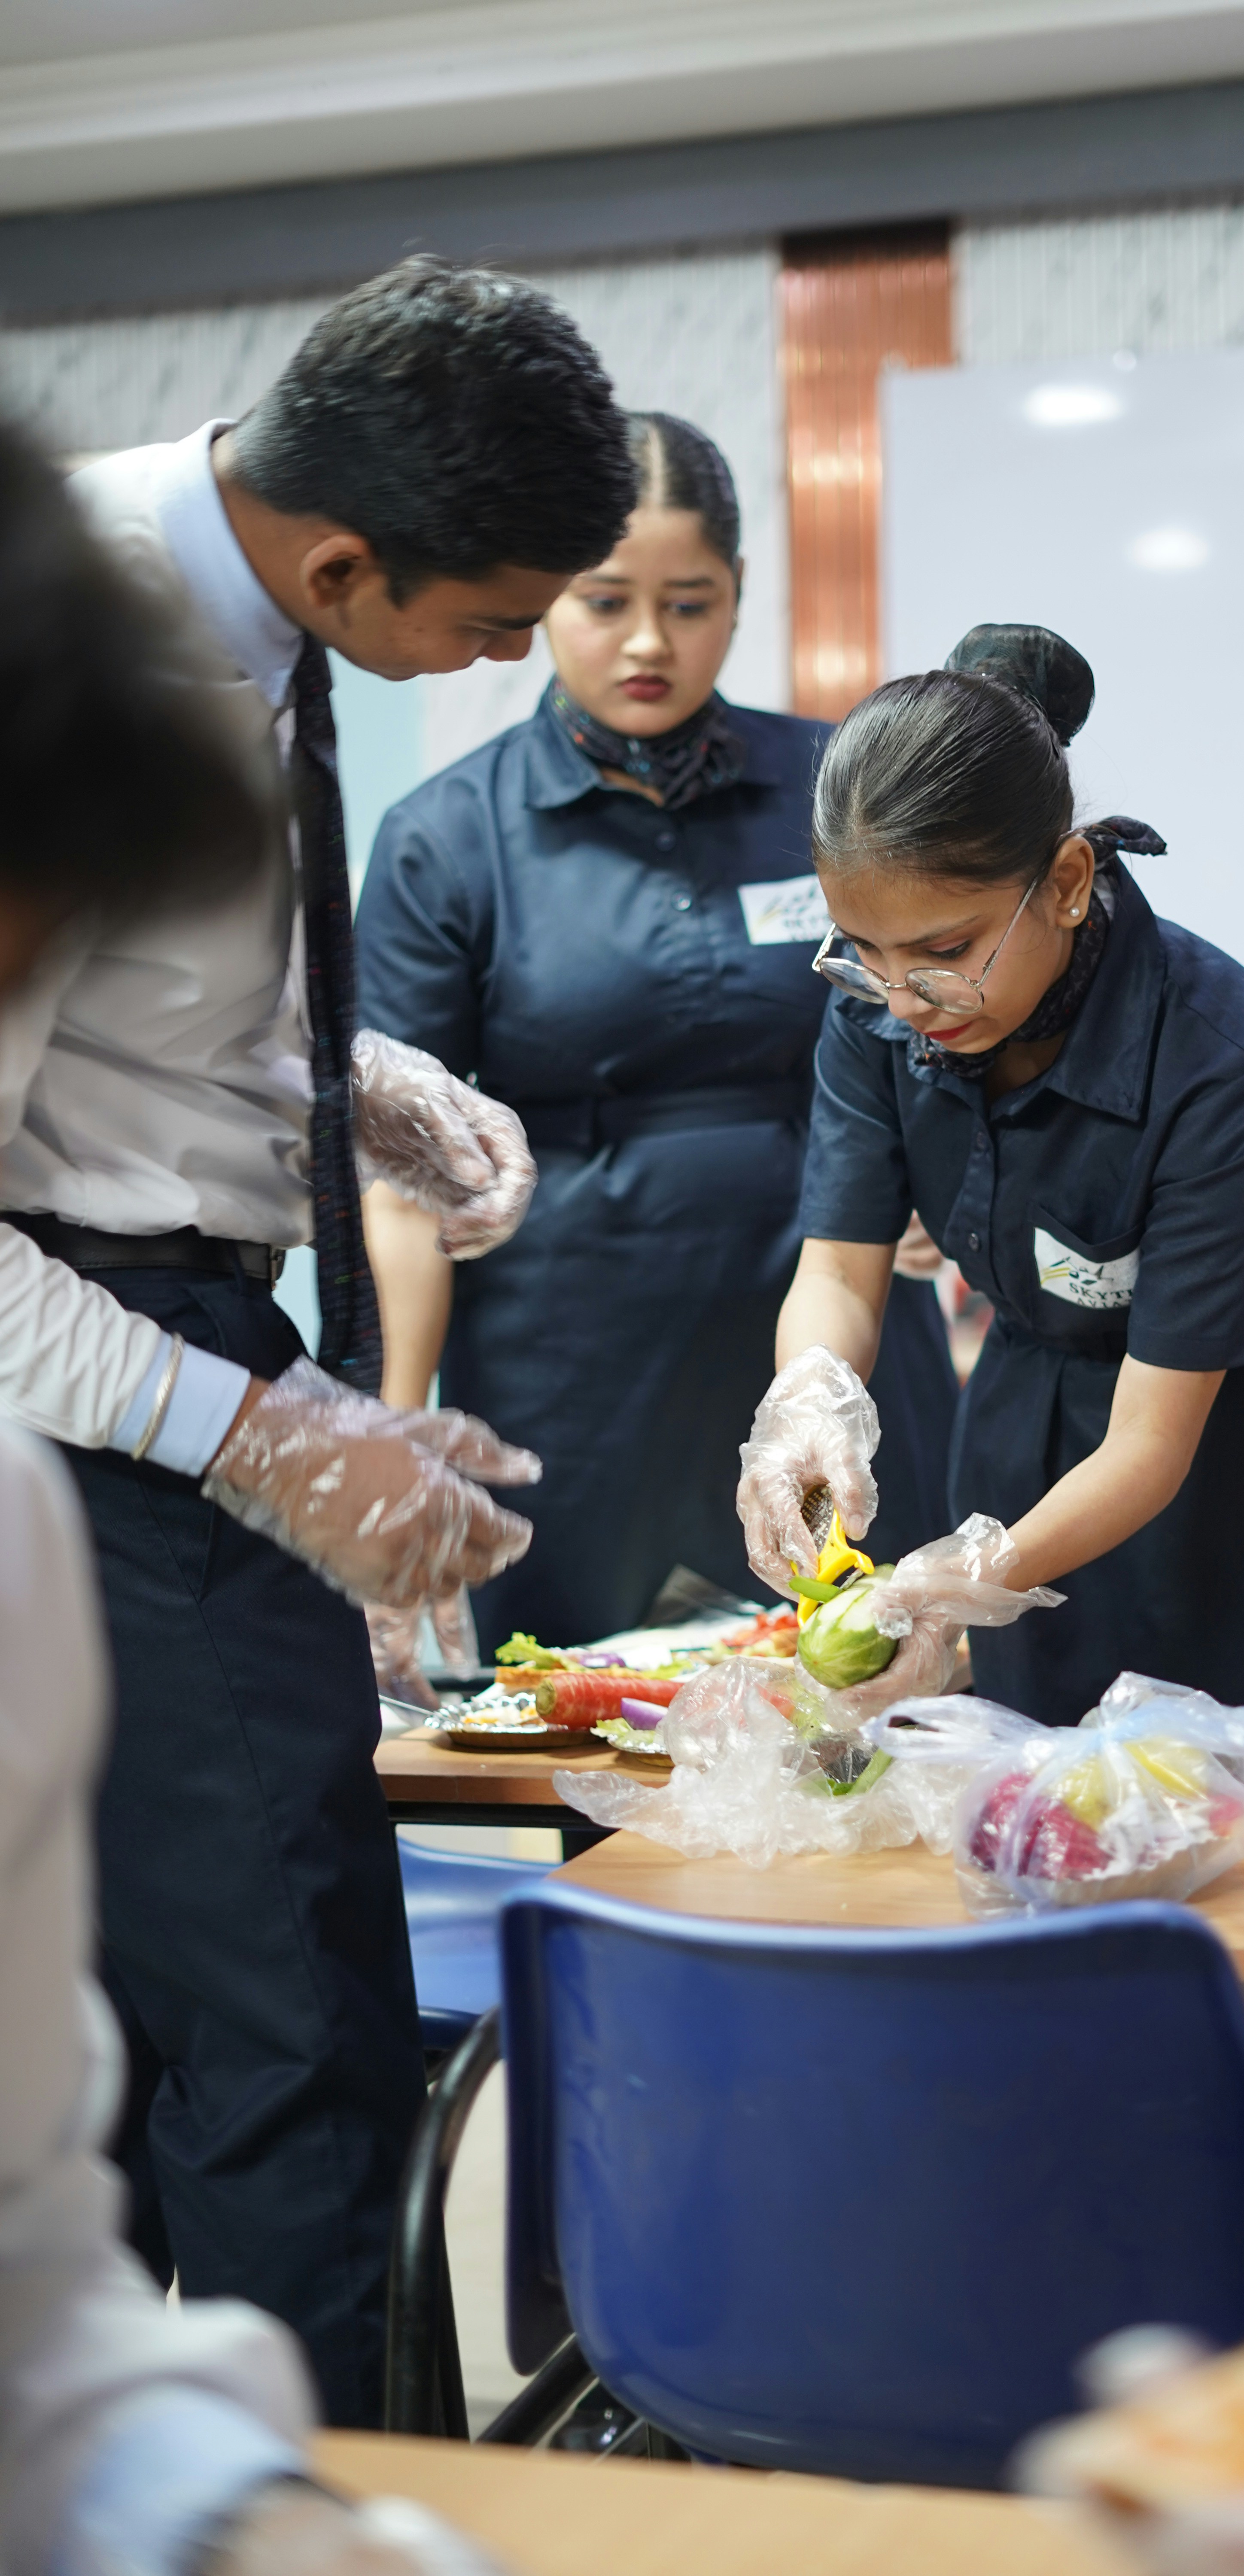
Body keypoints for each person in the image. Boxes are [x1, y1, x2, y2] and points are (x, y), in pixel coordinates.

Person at [0, 258, 638, 2426]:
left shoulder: (237, 577)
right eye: (491, 624)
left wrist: (327, 1080)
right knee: (300, 2054)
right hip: (83, 1381)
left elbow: (119, 1002)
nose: (506, 662)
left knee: (109, 2047)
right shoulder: (63, 651)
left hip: (154, 1311)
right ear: (349, 557)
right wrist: (254, 1434)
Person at [0, 409, 496, 2576]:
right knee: (287, 2037)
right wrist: (260, 1430)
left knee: (234, 2042)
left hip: (157, 1362)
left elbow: (41, 2234)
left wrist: (247, 2519)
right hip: (136, 1369)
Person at [736, 623, 1244, 1813]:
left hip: (1235, 1476)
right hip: (1027, 1430)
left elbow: (1154, 1443)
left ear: (1067, 883)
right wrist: (806, 1403)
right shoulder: (885, 1013)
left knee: (1242, 1870)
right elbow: (841, 1271)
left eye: (945, 953)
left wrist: (959, 1582)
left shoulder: (1223, 1055)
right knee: (1032, 1838)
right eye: (868, 956)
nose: (904, 1001)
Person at [356, 410, 956, 1691]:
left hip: (827, 1328)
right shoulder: (446, 839)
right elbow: (402, 1180)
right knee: (602, 1722)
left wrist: (950, 1192)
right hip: (572, 1365)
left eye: (689, 603)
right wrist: (403, 1430)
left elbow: (948, 1027)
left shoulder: (836, 785)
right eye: (605, 600)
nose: (646, 641)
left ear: (738, 599)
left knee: (870, 1699)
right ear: (541, 602)